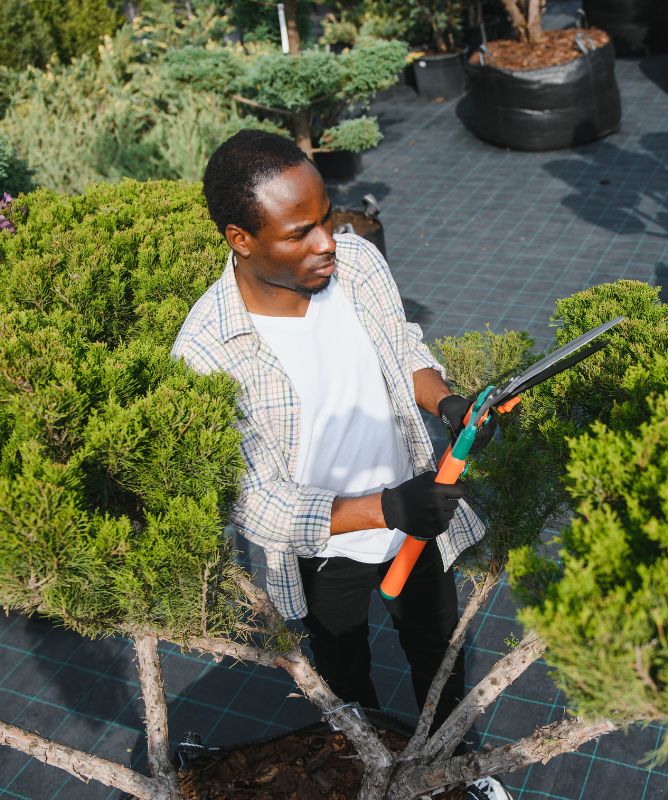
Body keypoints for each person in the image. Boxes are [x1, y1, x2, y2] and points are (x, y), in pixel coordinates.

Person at [171, 130, 512, 800]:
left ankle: (453, 766)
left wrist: (447, 403)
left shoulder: (355, 263)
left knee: (438, 653)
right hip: (324, 551)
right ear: (241, 239)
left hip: (416, 519)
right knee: (346, 680)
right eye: (301, 232)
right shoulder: (209, 349)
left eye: (327, 216)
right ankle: (372, 771)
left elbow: (400, 342)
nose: (328, 240)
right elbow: (256, 500)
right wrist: (384, 507)